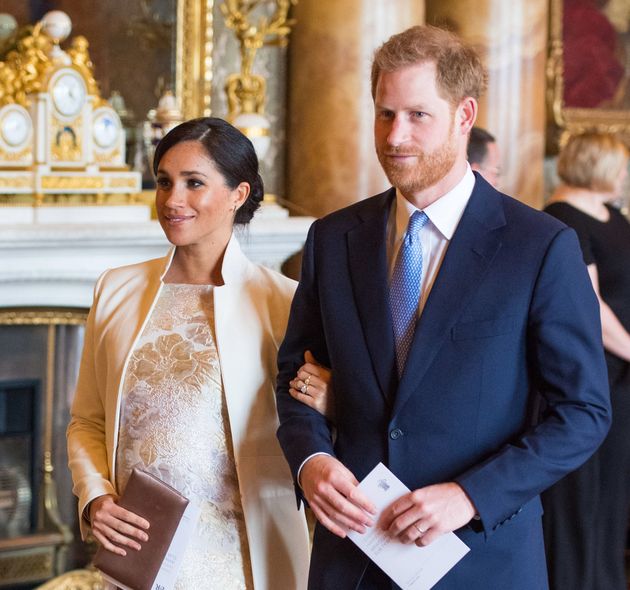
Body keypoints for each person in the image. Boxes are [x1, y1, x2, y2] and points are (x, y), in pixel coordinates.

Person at [275, 25, 611, 590]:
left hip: (480, 557)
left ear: (464, 115)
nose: (394, 136)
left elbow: (583, 413)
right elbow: (295, 374)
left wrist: (469, 497)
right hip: (353, 557)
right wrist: (310, 462)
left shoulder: (540, 246)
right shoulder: (334, 239)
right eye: (384, 114)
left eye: (416, 115)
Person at [66, 117, 311, 589]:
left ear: (239, 194)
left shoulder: (285, 302)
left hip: (243, 561)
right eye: (164, 182)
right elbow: (87, 420)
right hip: (137, 559)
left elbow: (319, 425)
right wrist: (96, 497)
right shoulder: (116, 288)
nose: (172, 200)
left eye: (193, 183)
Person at [542, 131, 630, 590]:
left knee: (615, 493)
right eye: (618, 166)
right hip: (601, 371)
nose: (623, 175)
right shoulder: (562, 220)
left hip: (625, 377)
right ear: (595, 165)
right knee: (585, 495)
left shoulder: (612, 214)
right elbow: (589, 307)